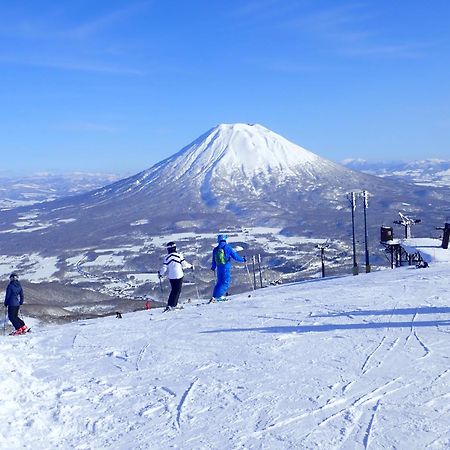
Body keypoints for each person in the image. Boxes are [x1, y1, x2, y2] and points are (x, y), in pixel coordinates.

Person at [158, 242, 193, 312]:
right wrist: (191, 266)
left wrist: (160, 274)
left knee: (173, 290)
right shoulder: (179, 256)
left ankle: (170, 304)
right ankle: (173, 305)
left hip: (171, 276)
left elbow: (164, 268)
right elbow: (184, 264)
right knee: (177, 291)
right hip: (179, 275)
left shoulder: (166, 258)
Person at [210, 234, 246, 302]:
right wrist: (243, 260)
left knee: (219, 282)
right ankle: (218, 296)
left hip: (219, 268)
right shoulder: (227, 247)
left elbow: (213, 260)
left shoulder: (216, 249)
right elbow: (235, 256)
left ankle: (214, 296)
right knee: (225, 282)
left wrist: (213, 267)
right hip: (226, 267)